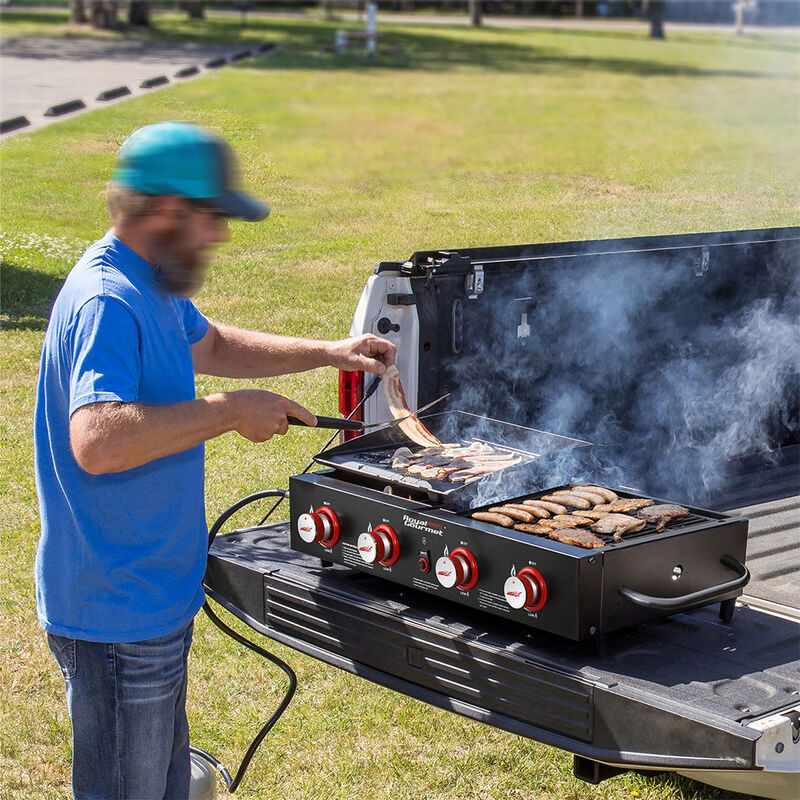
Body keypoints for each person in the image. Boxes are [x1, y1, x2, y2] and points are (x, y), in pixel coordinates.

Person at [33, 121, 396, 799]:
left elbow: (213, 345)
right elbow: (98, 440)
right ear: (168, 210)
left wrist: (328, 351)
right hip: (115, 613)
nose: (221, 235)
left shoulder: (151, 284)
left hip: (148, 600)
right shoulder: (108, 299)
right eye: (214, 217)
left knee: (163, 784)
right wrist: (229, 412)